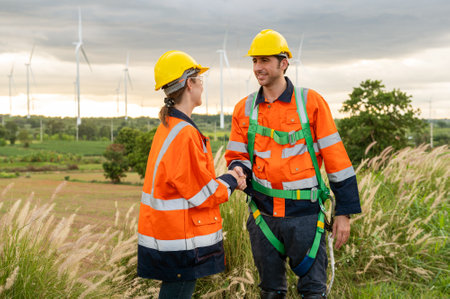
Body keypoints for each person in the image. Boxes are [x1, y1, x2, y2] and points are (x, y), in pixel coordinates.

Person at [225, 29, 361, 298]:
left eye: (264, 60)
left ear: (283, 63)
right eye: (254, 61)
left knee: (313, 291)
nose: (258, 67)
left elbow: (337, 161)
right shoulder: (244, 108)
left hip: (306, 217)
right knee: (270, 291)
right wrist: (237, 174)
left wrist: (344, 213)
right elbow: (237, 156)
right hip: (262, 216)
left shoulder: (310, 103)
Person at [137, 50, 246, 299]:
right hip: (180, 240)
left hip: (168, 234)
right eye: (200, 79)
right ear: (189, 83)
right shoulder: (184, 133)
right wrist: (232, 178)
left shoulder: (169, 127)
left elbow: (189, 183)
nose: (202, 85)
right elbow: (202, 193)